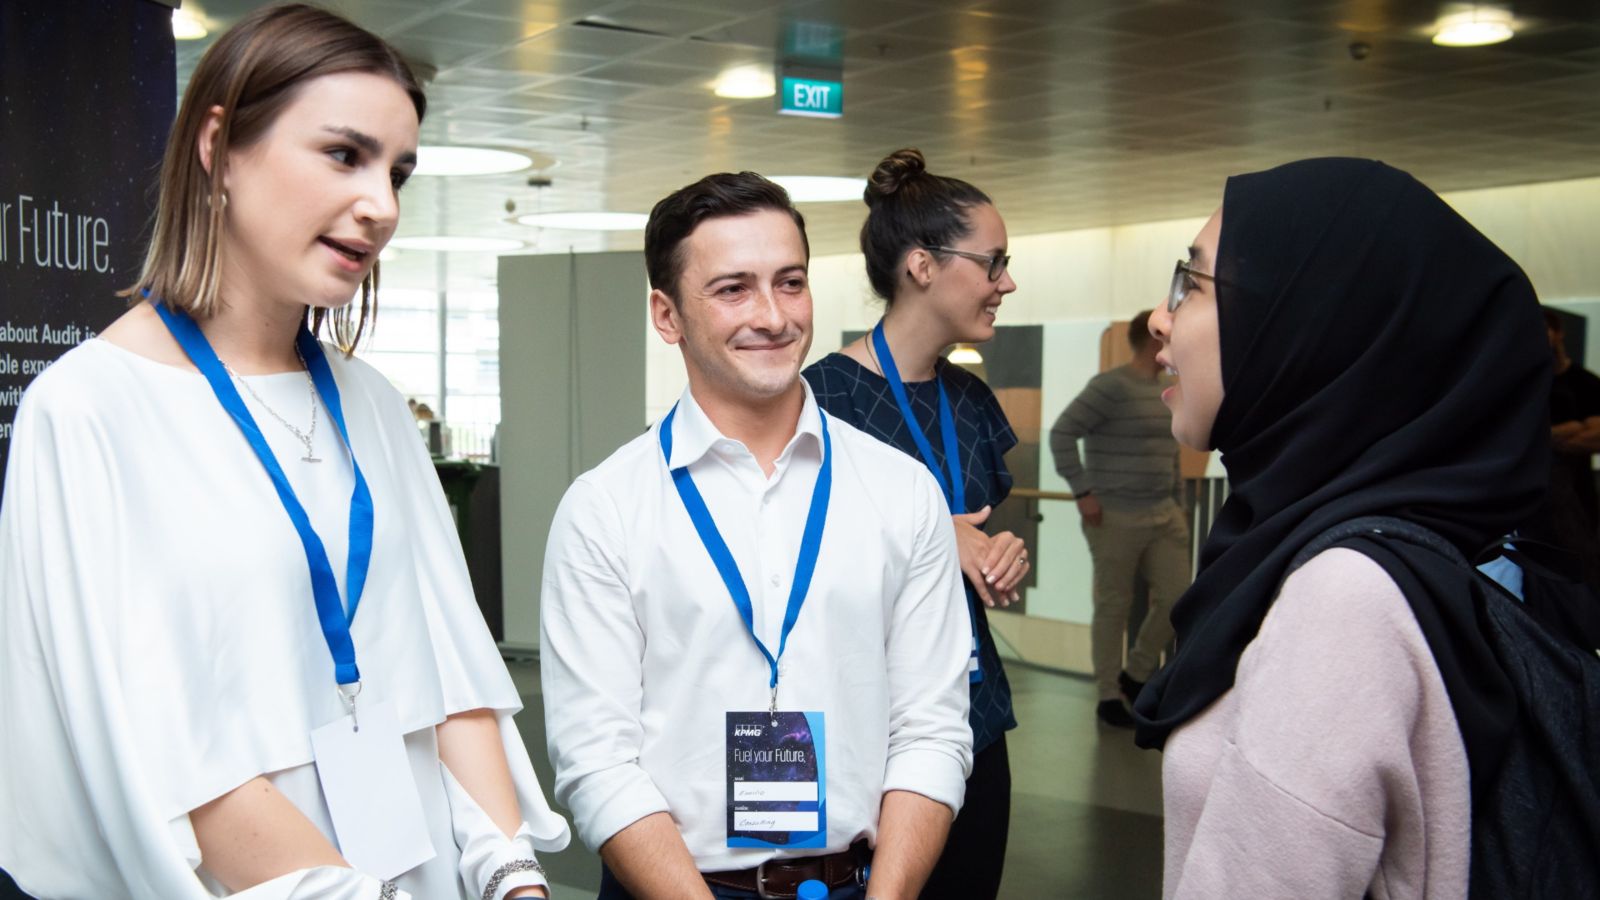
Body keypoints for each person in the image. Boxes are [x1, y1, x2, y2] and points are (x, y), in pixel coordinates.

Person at [0, 6, 567, 898]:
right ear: (220, 146)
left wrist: (512, 872)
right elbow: (152, 746)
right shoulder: (86, 414)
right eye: (345, 155)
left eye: (398, 172)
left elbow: (451, 671)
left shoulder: (372, 406)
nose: (380, 205)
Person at [540, 172, 974, 900]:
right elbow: (596, 760)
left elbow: (932, 729)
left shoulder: (901, 494)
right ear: (667, 314)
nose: (772, 316)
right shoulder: (605, 509)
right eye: (733, 288)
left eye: (791, 282)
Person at [1134, 158, 1553, 897]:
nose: (1161, 319)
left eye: (1191, 285)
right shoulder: (1420, 546)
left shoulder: (1343, 599)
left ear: (1305, 329)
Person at [802, 148, 1023, 900]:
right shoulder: (821, 401)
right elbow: (784, 565)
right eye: (992, 263)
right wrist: (934, 540)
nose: (1006, 283)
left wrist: (999, 551)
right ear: (922, 266)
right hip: (867, 727)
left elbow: (980, 529)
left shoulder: (972, 402)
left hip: (973, 717)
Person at [1048, 309, 1187, 730]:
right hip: (1115, 513)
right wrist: (1082, 491)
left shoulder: (1167, 389)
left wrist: (1178, 499)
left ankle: (1136, 674)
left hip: (1164, 512)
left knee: (1179, 597)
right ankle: (1108, 692)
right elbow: (1061, 434)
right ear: (1151, 339)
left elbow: (1173, 449)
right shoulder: (1110, 387)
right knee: (1114, 603)